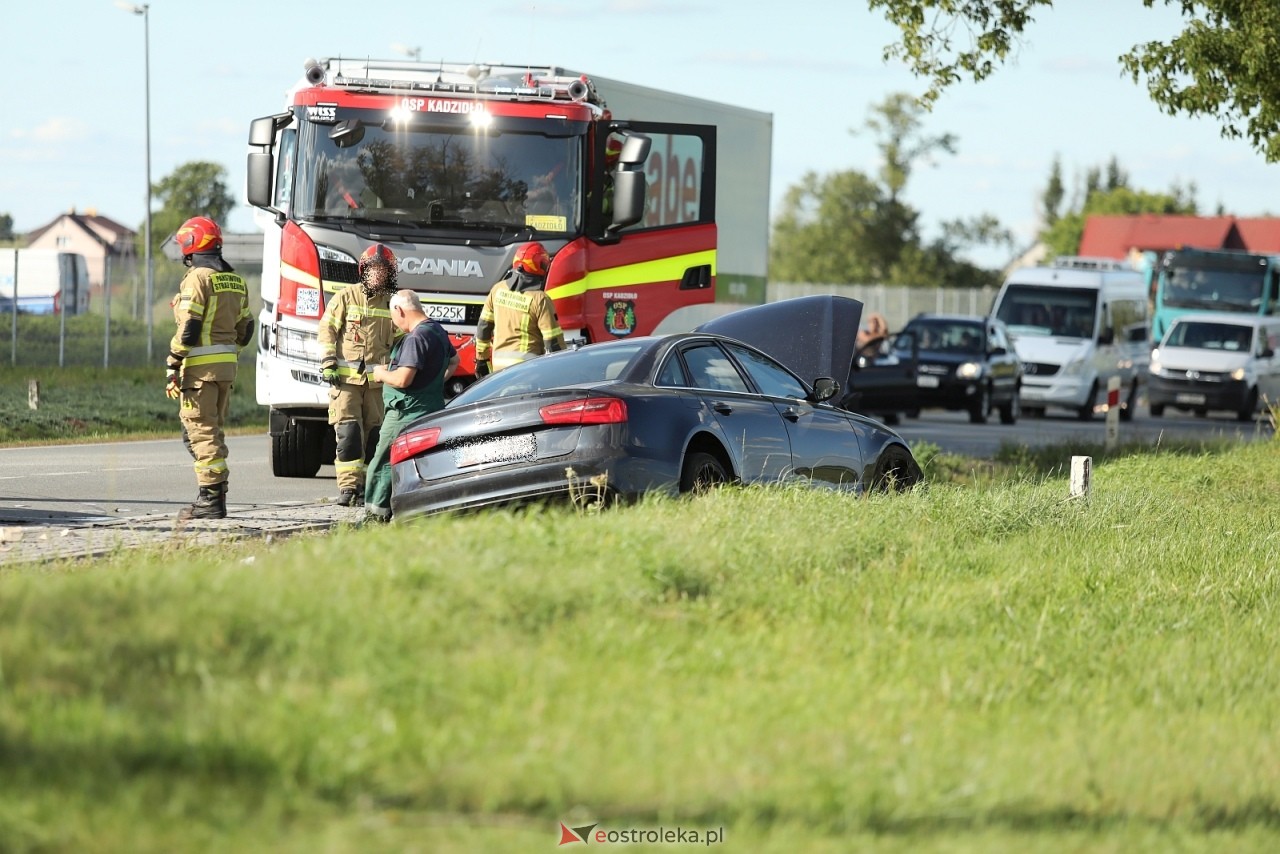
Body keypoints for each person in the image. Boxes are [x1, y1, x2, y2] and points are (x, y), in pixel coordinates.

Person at [165, 216, 253, 521]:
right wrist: (229, 352)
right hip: (225, 372)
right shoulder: (234, 280)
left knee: (201, 433)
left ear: (191, 244)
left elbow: (189, 327)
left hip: (199, 373)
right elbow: (247, 328)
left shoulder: (196, 278)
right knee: (209, 432)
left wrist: (173, 361)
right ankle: (214, 493)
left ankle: (211, 500)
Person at [363, 289, 459, 523]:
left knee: (383, 462)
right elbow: (455, 361)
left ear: (399, 310)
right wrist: (434, 381)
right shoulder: (437, 330)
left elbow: (403, 379)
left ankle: (375, 518)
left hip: (406, 412)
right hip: (432, 408)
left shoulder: (416, 338)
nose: (394, 322)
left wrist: (381, 373)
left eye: (392, 315)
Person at [318, 243, 399, 506]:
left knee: (374, 438)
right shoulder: (345, 297)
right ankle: (348, 488)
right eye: (374, 269)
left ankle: (367, 488)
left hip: (378, 386)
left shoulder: (393, 303)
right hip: (345, 383)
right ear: (364, 270)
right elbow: (327, 330)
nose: (379, 275)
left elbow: (403, 340)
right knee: (349, 435)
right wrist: (328, 361)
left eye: (383, 270)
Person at [474, 241, 566, 376]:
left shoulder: (497, 289)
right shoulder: (540, 299)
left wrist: (481, 359)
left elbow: (483, 327)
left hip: (498, 369)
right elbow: (552, 341)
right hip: (527, 370)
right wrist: (561, 369)